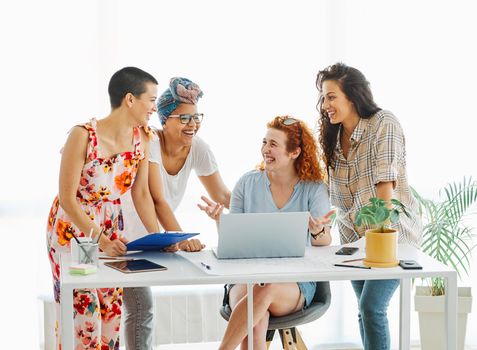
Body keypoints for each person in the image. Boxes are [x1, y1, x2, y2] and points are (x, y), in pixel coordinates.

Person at [46, 67, 163, 350]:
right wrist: (103, 240)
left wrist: (159, 238)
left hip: (111, 229)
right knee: (85, 317)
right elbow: (67, 198)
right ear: (130, 99)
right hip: (75, 233)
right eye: (151, 99)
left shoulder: (143, 138)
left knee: (111, 313)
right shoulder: (82, 135)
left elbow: (143, 194)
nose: (154, 108)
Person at [198, 116, 334, 350]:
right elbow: (233, 243)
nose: (265, 149)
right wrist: (221, 221)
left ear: (294, 153)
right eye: (264, 142)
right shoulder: (247, 183)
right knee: (256, 307)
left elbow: (324, 242)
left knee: (265, 290)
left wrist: (317, 230)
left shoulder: (314, 189)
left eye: (273, 144)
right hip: (246, 278)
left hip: (293, 284)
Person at [315, 62, 422, 350]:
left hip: (391, 238)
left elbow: (384, 194)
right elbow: (330, 195)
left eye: (331, 96)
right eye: (323, 97)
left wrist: (372, 240)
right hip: (353, 242)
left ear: (353, 96)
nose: (325, 104)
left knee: (372, 308)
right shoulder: (334, 137)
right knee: (365, 311)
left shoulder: (383, 124)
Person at [122, 76, 231, 350]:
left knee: (141, 310)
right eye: (184, 118)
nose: (192, 124)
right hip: (124, 233)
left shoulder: (199, 148)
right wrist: (177, 239)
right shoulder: (151, 143)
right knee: (138, 308)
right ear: (164, 119)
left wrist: (259, 209)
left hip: (152, 237)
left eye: (196, 117)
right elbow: (156, 199)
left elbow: (222, 195)